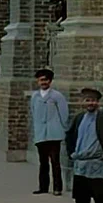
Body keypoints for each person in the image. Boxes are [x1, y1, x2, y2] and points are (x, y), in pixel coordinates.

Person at [30, 68, 69, 196]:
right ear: (38, 81)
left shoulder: (57, 96)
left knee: (55, 161)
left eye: (46, 80)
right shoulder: (35, 96)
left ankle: (57, 187)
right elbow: (33, 112)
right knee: (43, 162)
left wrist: (63, 127)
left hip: (54, 133)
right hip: (41, 134)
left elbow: (64, 113)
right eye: (41, 80)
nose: (43, 82)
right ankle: (43, 187)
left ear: (50, 81)